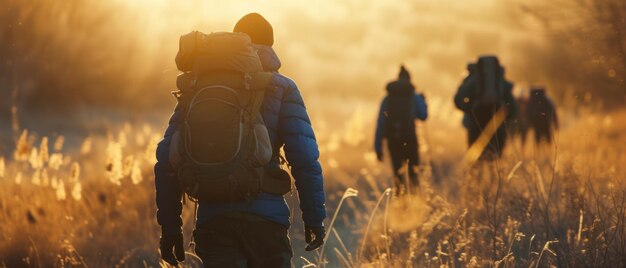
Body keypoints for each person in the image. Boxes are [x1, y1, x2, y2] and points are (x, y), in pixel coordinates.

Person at [155, 13, 326, 267]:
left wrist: (171, 229)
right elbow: (304, 158)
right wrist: (314, 218)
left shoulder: (196, 88)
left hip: (214, 221)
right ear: (270, 46)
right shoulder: (281, 88)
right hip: (266, 224)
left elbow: (166, 159)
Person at [374, 65, 428, 194]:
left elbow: (380, 123)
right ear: (409, 79)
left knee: (398, 175)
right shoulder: (414, 97)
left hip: (393, 140)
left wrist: (378, 147)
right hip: (410, 138)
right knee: (413, 174)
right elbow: (423, 116)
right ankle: (414, 201)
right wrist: (423, 101)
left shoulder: (387, 99)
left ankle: (400, 204)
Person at [454, 56, 517, 160]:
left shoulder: (473, 82)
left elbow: (458, 99)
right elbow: (512, 106)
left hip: (476, 121)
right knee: (496, 156)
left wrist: (469, 108)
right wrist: (507, 117)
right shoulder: (501, 82)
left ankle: (477, 175)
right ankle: (494, 175)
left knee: (476, 155)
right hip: (497, 121)